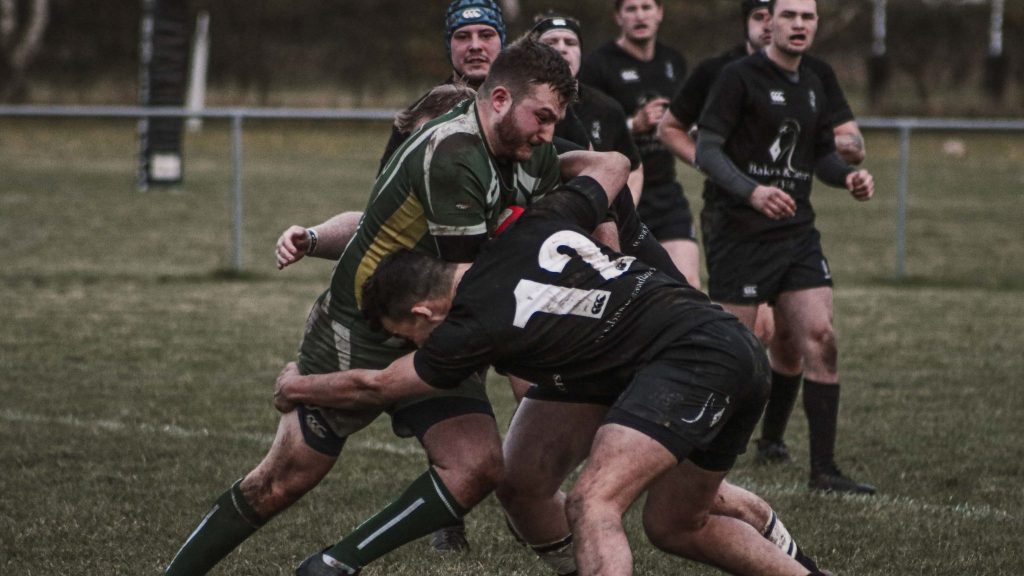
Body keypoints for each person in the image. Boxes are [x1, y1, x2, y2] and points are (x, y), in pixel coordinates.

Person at [163, 38, 597, 576]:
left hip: (441, 326)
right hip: (363, 327)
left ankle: (332, 565)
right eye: (543, 118)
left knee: (476, 465)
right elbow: (471, 288)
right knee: (283, 481)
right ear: (501, 99)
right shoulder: (453, 153)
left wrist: (602, 192)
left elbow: (599, 178)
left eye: (556, 122)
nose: (549, 135)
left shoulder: (528, 151)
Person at [275, 174, 829, 576]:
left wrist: (297, 385)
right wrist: (564, 165)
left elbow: (378, 385)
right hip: (703, 347)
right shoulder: (533, 223)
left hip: (694, 357)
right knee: (673, 524)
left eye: (407, 335)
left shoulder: (469, 327)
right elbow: (611, 165)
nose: (413, 346)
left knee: (592, 501)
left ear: (423, 311)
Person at [658, 0, 868, 467]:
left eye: (807, 16)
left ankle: (824, 470)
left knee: (820, 338)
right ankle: (697, 454)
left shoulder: (816, 78)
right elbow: (708, 151)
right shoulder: (736, 76)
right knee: (733, 352)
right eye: (789, 15)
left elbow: (823, 155)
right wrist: (751, 192)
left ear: (817, 23)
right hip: (739, 230)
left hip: (796, 231)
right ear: (769, 21)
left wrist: (848, 177)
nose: (799, 24)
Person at [578, 0, 701, 290]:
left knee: (688, 285)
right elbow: (589, 129)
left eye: (646, 7)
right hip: (622, 193)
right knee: (628, 288)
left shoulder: (673, 61)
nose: (640, 15)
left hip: (666, 192)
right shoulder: (598, 65)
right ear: (618, 16)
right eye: (631, 9)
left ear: (660, 12)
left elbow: (685, 118)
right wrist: (636, 123)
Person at [378, 0, 507, 172]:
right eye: (463, 36)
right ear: (449, 45)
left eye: (486, 35)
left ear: (502, 42)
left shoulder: (526, 107)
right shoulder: (419, 116)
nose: (475, 46)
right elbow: (388, 185)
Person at [531, 13, 645, 204]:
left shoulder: (606, 108)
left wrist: (625, 214)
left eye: (570, 42)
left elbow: (634, 168)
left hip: (591, 212)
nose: (562, 48)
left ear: (581, 53)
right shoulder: (520, 106)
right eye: (551, 42)